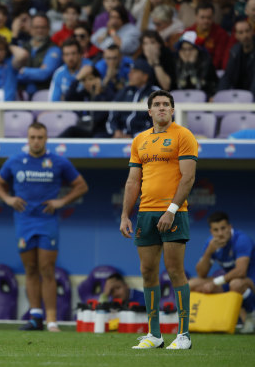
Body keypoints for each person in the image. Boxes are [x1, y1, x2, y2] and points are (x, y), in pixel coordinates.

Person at [0, 122, 88, 332]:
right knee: (31, 269)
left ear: (46, 139)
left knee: (47, 269)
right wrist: (7, 199)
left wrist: (62, 201)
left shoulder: (58, 162)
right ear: (27, 139)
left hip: (47, 221)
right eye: (32, 137)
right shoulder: (15, 161)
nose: (36, 141)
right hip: (24, 222)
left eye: (40, 137)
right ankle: (36, 317)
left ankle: (52, 321)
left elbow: (81, 185)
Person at [120, 89, 198, 350]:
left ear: (172, 110)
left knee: (175, 271)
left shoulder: (183, 135)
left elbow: (188, 178)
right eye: (157, 104)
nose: (162, 108)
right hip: (146, 214)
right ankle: (154, 335)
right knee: (147, 272)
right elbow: (133, 181)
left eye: (167, 104)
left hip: (174, 213)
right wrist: (125, 215)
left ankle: (184, 335)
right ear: (150, 111)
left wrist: (171, 210)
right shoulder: (139, 140)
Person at [188, 211, 255, 333]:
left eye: (223, 228)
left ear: (230, 227)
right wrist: (209, 252)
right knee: (191, 284)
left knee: (236, 284)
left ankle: (251, 316)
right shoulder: (211, 243)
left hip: (250, 280)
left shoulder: (241, 240)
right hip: (229, 281)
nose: (220, 233)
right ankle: (208, 322)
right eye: (216, 230)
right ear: (211, 232)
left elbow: (241, 271)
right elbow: (201, 274)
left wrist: (215, 283)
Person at [107, 59, 161, 138]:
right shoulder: (125, 91)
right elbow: (113, 114)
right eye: (130, 71)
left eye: (134, 71)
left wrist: (134, 136)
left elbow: (158, 123)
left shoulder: (155, 93)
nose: (130, 74)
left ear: (145, 76)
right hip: (120, 137)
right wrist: (116, 130)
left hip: (147, 140)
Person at [17, 13, 62, 97]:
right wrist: (36, 72)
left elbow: (43, 74)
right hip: (21, 93)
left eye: (43, 27)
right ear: (30, 29)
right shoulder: (22, 47)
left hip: (44, 94)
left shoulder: (54, 49)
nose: (39, 30)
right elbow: (14, 72)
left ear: (48, 28)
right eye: (36, 27)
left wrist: (23, 71)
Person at [175, 31, 219, 99]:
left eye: (190, 49)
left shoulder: (206, 62)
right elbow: (180, 86)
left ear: (197, 49)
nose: (187, 53)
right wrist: (186, 65)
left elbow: (199, 87)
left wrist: (191, 65)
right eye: (184, 49)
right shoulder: (177, 62)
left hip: (204, 99)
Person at [218, 20, 255, 97]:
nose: (245, 35)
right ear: (236, 36)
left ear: (252, 32)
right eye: (241, 32)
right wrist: (218, 95)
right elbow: (228, 76)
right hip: (240, 95)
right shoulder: (235, 51)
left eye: (247, 31)